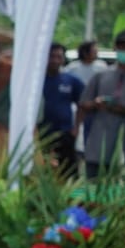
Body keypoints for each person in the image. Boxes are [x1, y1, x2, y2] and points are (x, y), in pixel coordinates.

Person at [78, 28, 125, 178]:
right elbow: (83, 104)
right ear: (115, 48)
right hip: (99, 149)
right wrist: (96, 104)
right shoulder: (101, 76)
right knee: (95, 196)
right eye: (121, 47)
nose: (124, 51)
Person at [40, 43, 84, 175]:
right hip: (41, 134)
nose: (54, 60)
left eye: (58, 57)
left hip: (65, 133)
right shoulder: (37, 80)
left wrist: (76, 128)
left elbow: (82, 104)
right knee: (43, 170)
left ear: (63, 59)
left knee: (68, 171)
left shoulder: (71, 80)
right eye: (51, 56)